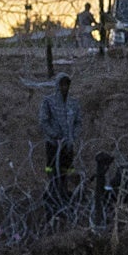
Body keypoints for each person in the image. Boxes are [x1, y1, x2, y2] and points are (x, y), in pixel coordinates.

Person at [36, 72, 81, 202]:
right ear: (57, 85)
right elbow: (43, 121)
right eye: (62, 84)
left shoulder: (73, 103)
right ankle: (52, 192)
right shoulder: (49, 101)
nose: (64, 87)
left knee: (67, 169)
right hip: (53, 144)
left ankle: (64, 191)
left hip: (68, 145)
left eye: (66, 84)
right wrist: (54, 135)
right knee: (52, 169)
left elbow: (78, 122)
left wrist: (73, 136)